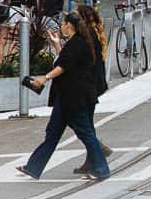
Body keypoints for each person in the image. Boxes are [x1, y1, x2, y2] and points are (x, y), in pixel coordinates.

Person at [16, 12, 111, 181]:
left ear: (69, 25)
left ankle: (101, 169)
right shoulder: (75, 43)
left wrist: (44, 78)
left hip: (76, 97)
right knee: (52, 132)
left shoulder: (79, 43)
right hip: (66, 97)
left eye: (63, 23)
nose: (61, 26)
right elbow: (65, 60)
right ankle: (33, 167)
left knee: (85, 133)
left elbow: (63, 66)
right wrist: (57, 44)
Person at [73, 5, 112, 174]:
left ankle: (98, 151)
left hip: (86, 87)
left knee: (83, 125)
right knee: (86, 124)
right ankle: (92, 158)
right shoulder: (94, 34)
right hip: (93, 86)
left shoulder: (85, 37)